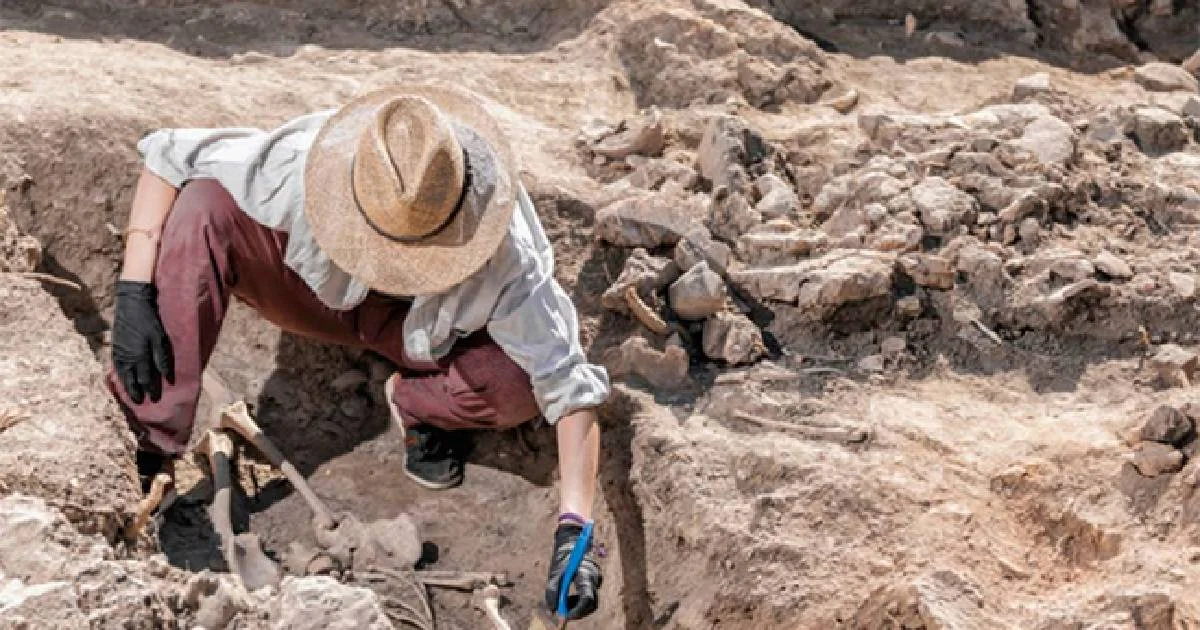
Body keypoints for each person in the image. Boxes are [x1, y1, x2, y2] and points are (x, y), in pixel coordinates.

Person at [109, 85, 605, 619]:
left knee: (516, 385)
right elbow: (165, 155)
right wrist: (135, 289)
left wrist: (574, 532)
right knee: (205, 206)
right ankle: (148, 451)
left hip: (428, 334)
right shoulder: (301, 163)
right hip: (311, 297)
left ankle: (417, 404)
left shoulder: (505, 249)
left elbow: (568, 383)